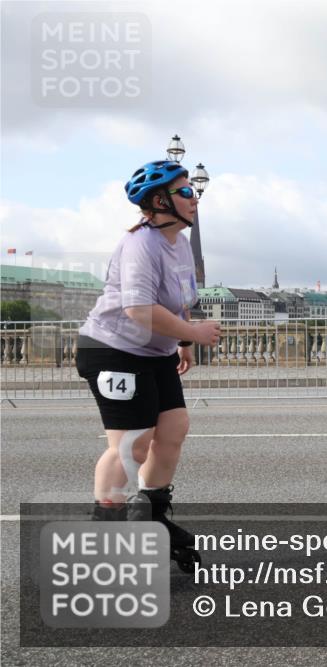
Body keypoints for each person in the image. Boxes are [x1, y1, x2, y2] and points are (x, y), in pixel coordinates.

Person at [76, 159, 221, 570]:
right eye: (186, 192)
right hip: (113, 350)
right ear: (160, 201)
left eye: (194, 191)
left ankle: (152, 516)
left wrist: (182, 340)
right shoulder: (141, 243)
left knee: (173, 429)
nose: (195, 199)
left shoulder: (177, 246)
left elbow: (180, 302)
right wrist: (193, 335)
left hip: (153, 353)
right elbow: (139, 308)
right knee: (131, 444)